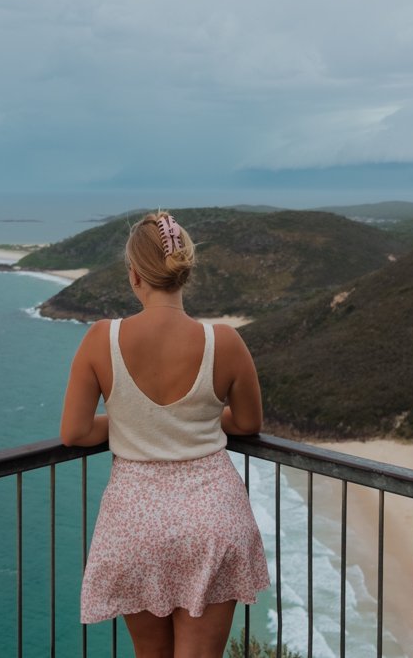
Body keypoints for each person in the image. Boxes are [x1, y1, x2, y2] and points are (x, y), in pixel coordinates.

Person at [60, 211, 270, 658]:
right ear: (184, 273)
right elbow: (249, 424)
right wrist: (201, 421)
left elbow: (75, 432)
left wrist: (132, 422)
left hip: (134, 523)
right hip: (212, 518)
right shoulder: (224, 342)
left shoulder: (102, 338)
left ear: (135, 276)